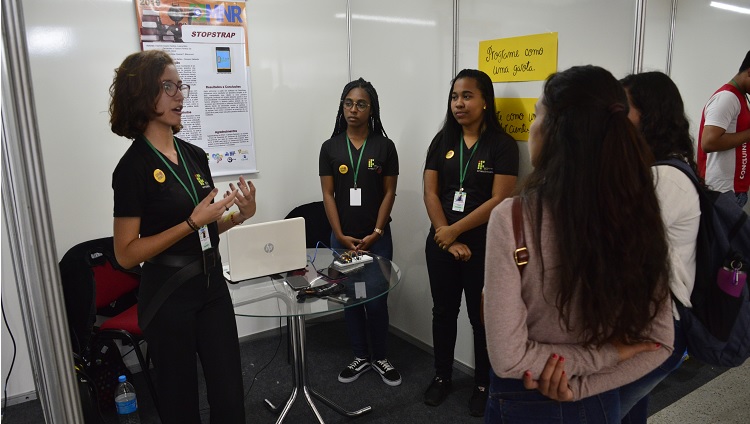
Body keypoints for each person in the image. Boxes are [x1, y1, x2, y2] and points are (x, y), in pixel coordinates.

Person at [483, 65, 675, 423]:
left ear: (555, 131)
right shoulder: (639, 214)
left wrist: (584, 373)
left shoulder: (513, 218)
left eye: (537, 114)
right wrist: (596, 370)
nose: (531, 127)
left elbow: (508, 358)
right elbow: (660, 343)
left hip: (526, 395)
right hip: (600, 400)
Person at [110, 50, 255, 423]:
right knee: (180, 401)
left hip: (211, 287)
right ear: (143, 94)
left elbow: (205, 227)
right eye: (168, 86)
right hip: (168, 294)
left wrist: (239, 217)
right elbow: (126, 254)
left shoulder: (194, 155)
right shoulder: (132, 168)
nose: (180, 95)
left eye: (181, 85)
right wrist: (191, 223)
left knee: (229, 394)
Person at [423, 69, 519, 416]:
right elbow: (430, 192)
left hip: (485, 246)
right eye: (454, 97)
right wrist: (445, 236)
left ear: (485, 101)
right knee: (444, 313)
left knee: (482, 319)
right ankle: (441, 377)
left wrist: (455, 230)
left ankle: (483, 384)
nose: (459, 103)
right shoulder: (442, 141)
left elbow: (500, 200)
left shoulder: (502, 144)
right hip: (441, 241)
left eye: (467, 96)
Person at [616, 71, 701, 423]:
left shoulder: (665, 179)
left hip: (659, 326)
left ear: (649, 115)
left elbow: (620, 247)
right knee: (629, 410)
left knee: (605, 411)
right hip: (648, 320)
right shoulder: (654, 169)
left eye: (625, 108)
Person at [318, 77, 401, 386]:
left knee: (376, 300)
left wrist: (378, 231)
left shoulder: (385, 146)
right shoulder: (330, 147)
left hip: (376, 240)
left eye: (361, 104)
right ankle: (360, 356)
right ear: (342, 107)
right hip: (342, 240)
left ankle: (379, 356)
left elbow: (390, 192)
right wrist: (339, 235)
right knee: (351, 298)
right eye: (348, 103)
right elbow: (328, 195)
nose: (354, 109)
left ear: (372, 109)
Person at [697, 50, 750, 207]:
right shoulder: (727, 98)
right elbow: (709, 142)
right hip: (721, 191)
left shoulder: (740, 98)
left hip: (733, 190)